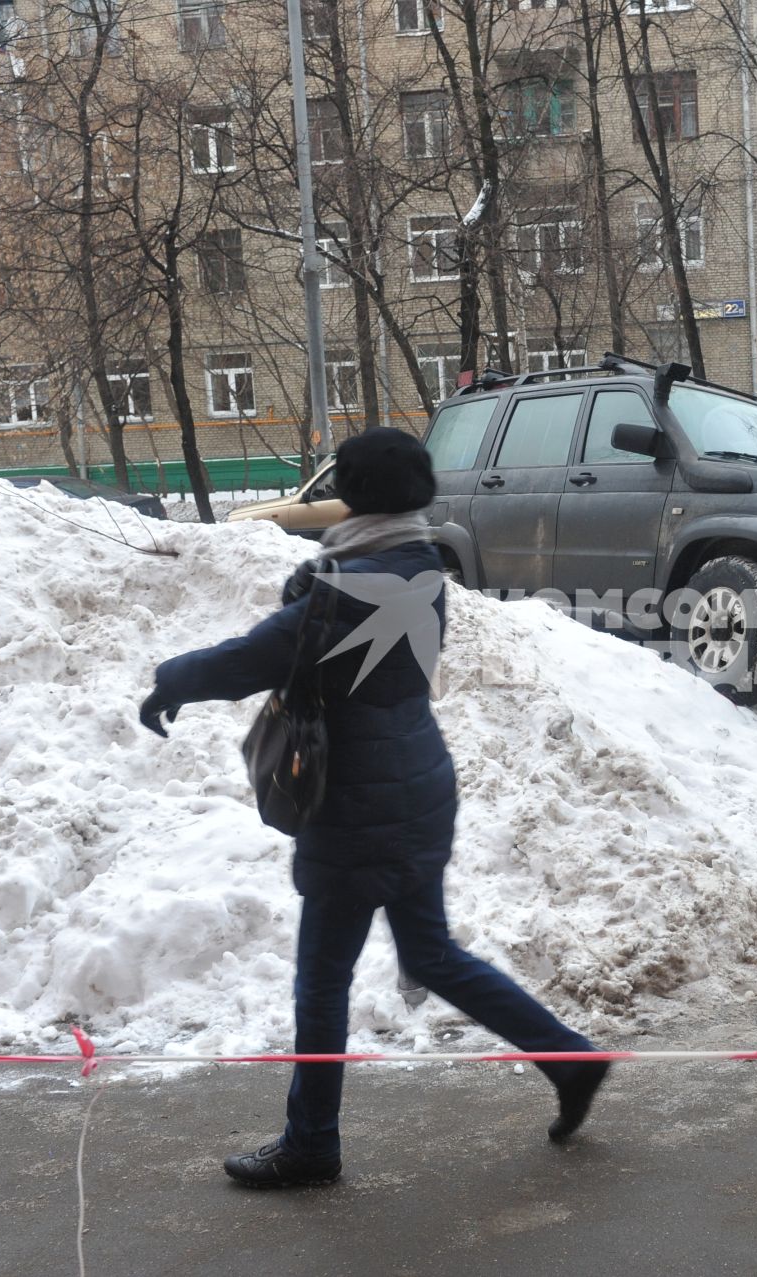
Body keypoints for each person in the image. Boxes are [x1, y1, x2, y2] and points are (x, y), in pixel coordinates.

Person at [138, 427, 609, 1188]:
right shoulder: (417, 562)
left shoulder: (345, 588)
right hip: (414, 787)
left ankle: (310, 1144)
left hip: (356, 807)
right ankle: (570, 1059)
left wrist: (170, 678)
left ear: (349, 493)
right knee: (431, 954)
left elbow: (250, 659)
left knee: (322, 978)